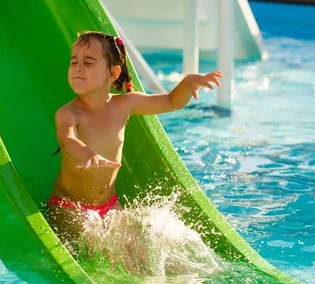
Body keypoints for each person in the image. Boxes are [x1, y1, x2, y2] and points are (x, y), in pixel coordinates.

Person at [46, 31, 223, 246]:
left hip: (109, 204)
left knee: (138, 247)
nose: (78, 67)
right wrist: (87, 153)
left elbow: (170, 101)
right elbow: (67, 140)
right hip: (70, 207)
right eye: (74, 62)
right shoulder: (68, 113)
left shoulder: (125, 104)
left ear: (113, 73)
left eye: (89, 62)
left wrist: (186, 84)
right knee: (96, 246)